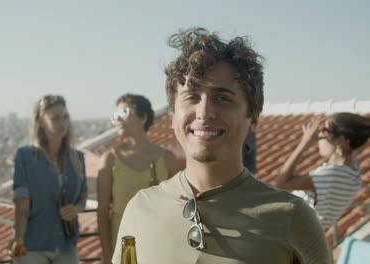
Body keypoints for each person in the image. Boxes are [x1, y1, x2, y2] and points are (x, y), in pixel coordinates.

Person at [112, 27, 332, 264]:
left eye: (223, 98)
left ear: (253, 118)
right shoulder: (141, 208)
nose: (204, 112)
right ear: (174, 115)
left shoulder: (291, 217)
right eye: (192, 97)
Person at [97, 93, 179, 263]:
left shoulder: (167, 159)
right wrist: (106, 255)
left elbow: (178, 208)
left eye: (123, 113)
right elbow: (103, 212)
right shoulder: (110, 159)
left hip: (159, 245)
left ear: (143, 117)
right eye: (115, 116)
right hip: (123, 247)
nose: (117, 119)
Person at [11, 95, 87, 264]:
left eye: (66, 117)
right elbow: (22, 201)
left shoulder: (77, 158)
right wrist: (19, 239)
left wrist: (76, 209)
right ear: (42, 122)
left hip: (67, 245)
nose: (63, 123)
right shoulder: (25, 156)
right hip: (33, 245)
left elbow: (83, 196)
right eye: (56, 118)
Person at [275, 113, 369, 229]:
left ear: (341, 140)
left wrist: (305, 142)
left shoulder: (330, 175)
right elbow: (352, 138)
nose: (319, 135)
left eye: (325, 132)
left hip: (291, 233)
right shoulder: (352, 171)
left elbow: (281, 182)